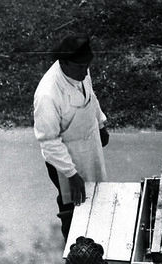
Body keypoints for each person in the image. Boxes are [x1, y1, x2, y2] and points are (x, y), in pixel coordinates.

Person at [34, 33, 109, 239]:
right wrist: (72, 175)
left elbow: (90, 96)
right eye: (80, 68)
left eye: (87, 66)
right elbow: (48, 142)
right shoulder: (48, 94)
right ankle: (74, 251)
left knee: (95, 195)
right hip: (66, 159)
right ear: (63, 62)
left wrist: (100, 124)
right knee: (73, 205)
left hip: (89, 146)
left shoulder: (80, 70)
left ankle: (96, 238)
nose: (85, 73)